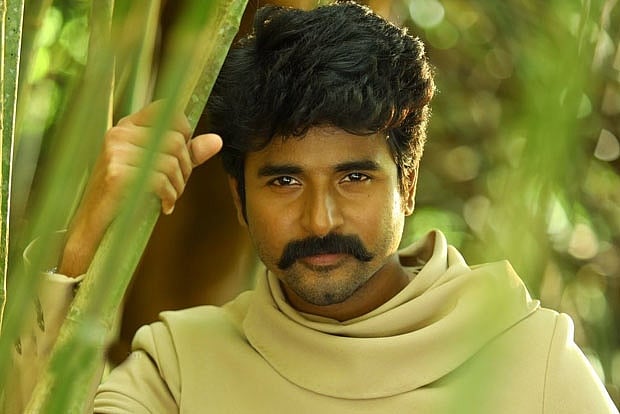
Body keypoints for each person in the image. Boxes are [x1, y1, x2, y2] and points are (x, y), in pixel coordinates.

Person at [11, 1, 619, 413]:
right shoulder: (180, 367)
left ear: (407, 185)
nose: (320, 219)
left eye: (354, 177)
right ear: (239, 199)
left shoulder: (528, 357)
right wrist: (85, 237)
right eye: (284, 181)